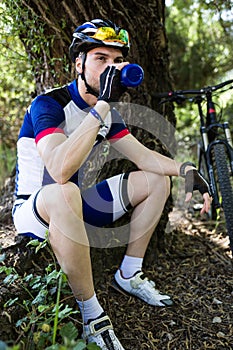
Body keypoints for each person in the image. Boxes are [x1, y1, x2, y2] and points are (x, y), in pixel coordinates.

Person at [12, 18, 212, 350]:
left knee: (155, 179)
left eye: (116, 61)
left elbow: (145, 157)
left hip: (75, 207)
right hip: (38, 210)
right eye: (101, 59)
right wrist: (103, 103)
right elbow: (60, 169)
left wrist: (187, 169)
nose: (111, 68)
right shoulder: (47, 105)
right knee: (65, 190)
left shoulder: (107, 114)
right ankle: (93, 316)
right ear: (79, 63)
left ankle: (129, 275)